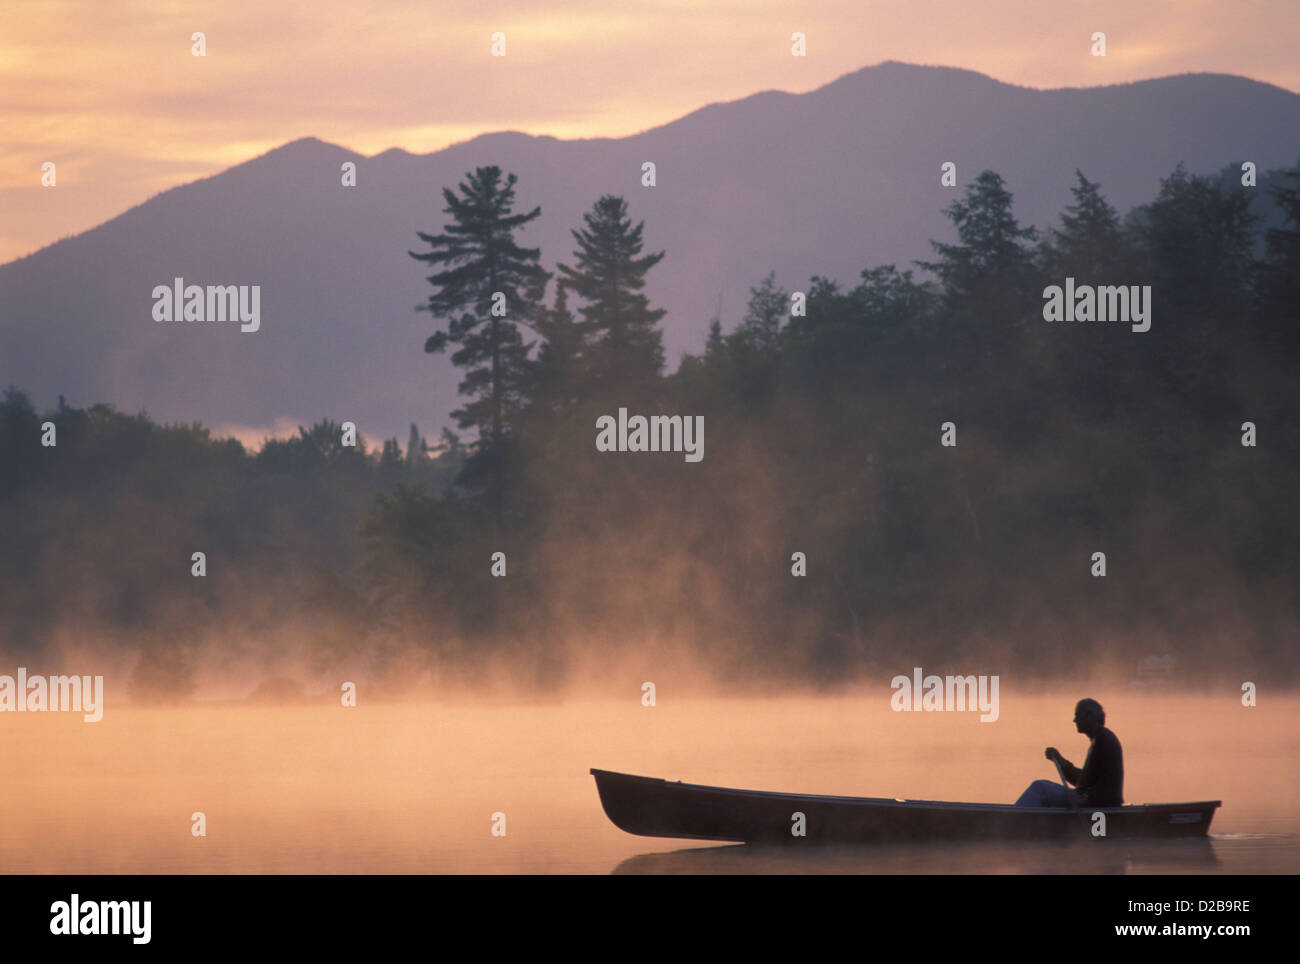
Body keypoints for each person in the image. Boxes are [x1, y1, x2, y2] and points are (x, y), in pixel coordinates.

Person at [1014, 698, 1124, 807]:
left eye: (1077, 715)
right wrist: (1060, 760)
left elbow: (1109, 786)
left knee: (1039, 788)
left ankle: (1014, 820)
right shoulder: (1100, 738)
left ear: (1089, 717)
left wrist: (1085, 799)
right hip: (1092, 799)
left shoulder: (1103, 740)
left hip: (1098, 803)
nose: (1074, 720)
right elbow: (1083, 781)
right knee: (1042, 787)